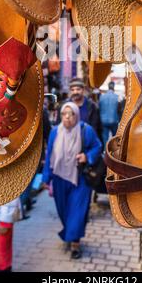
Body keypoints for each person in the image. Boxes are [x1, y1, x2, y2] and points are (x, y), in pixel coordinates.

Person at [42, 102, 102, 259]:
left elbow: (97, 146)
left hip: (80, 179)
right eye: (64, 114)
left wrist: (87, 157)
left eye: (71, 114)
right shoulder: (55, 132)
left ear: (77, 115)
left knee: (77, 212)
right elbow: (49, 155)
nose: (67, 117)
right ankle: (69, 232)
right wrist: (46, 177)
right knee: (63, 211)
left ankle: (75, 243)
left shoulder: (85, 130)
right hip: (59, 178)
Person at [99, 81, 119, 148]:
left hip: (103, 120)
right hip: (114, 120)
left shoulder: (102, 97)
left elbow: (99, 108)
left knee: (105, 138)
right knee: (114, 137)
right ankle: (114, 152)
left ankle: (105, 151)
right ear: (113, 87)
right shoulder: (117, 97)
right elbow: (119, 109)